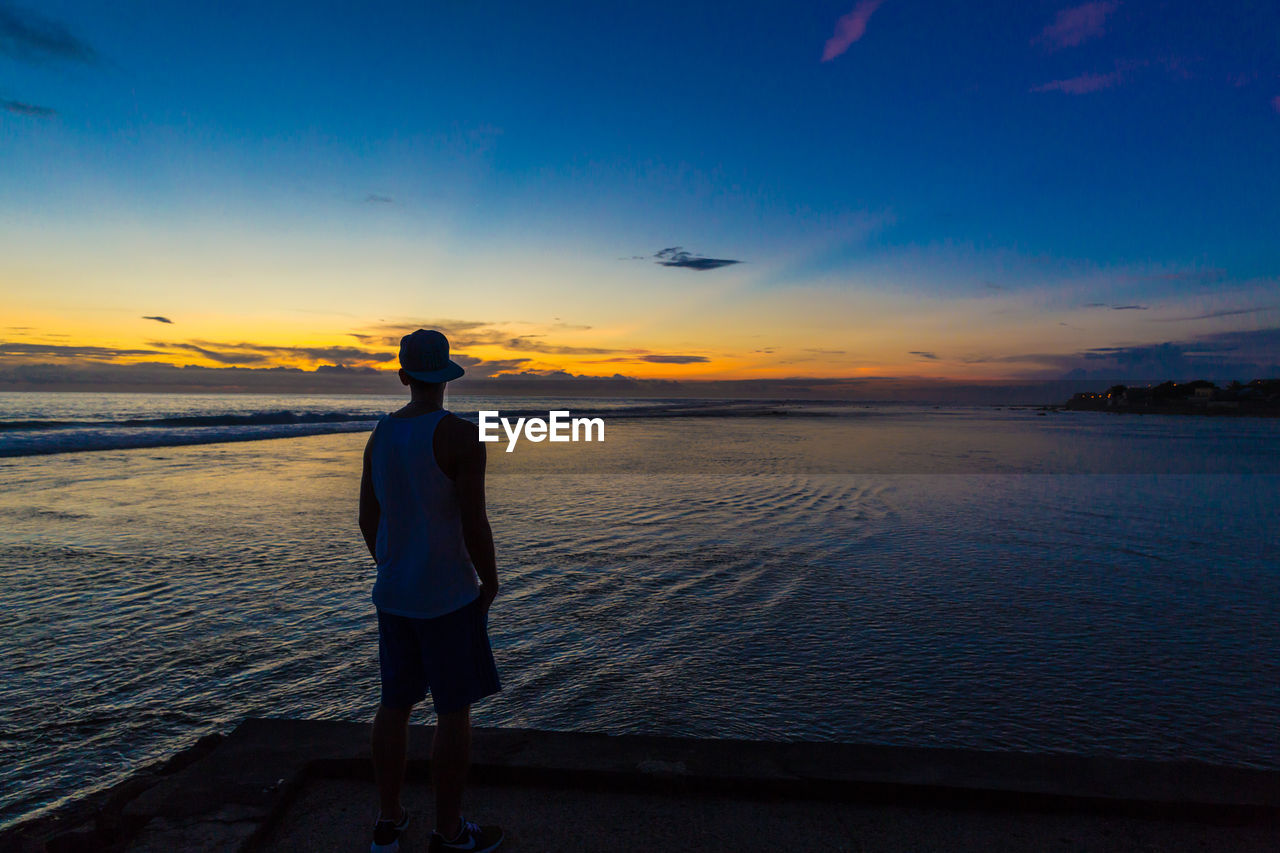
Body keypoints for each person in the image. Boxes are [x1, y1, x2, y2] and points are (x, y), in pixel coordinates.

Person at [359, 329, 504, 853]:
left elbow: (366, 516)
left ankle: (389, 820)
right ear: (446, 377)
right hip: (449, 596)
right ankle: (447, 830)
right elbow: (475, 523)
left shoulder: (380, 434)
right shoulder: (461, 436)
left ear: (403, 375)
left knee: (393, 705)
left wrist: (396, 565)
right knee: (453, 711)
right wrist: (489, 582)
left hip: (394, 593)